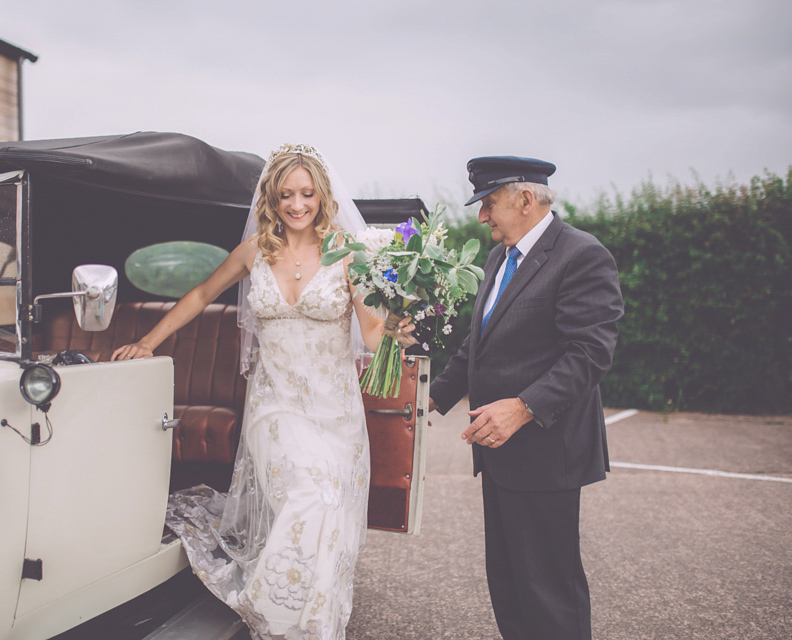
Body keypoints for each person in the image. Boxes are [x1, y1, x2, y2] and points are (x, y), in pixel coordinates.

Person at [112, 143, 415, 640]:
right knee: (310, 494)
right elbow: (200, 295)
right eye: (286, 195)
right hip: (274, 407)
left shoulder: (349, 255)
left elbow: (374, 332)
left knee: (330, 515)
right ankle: (274, 615)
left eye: (307, 194)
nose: (297, 205)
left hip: (335, 413)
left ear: (322, 195)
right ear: (271, 200)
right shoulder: (256, 250)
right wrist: (147, 342)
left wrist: (401, 328)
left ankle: (313, 625)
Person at [428, 156, 624, 640]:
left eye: (488, 203)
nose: (481, 217)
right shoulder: (501, 256)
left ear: (525, 199)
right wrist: (432, 398)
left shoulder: (582, 254)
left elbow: (590, 353)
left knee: (549, 592)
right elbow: (480, 343)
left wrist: (523, 407)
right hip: (498, 454)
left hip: (546, 452)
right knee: (511, 585)